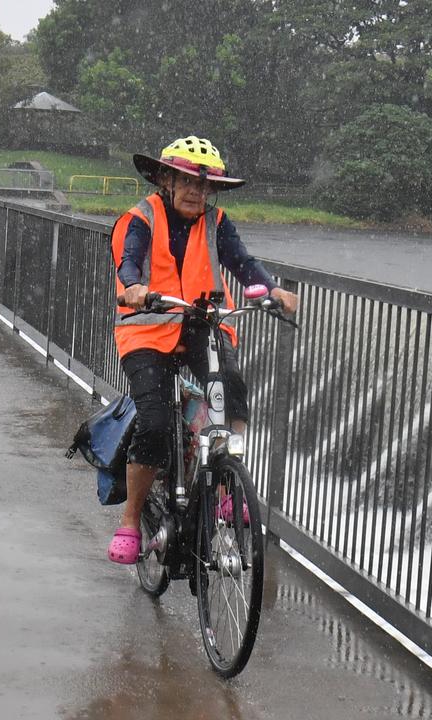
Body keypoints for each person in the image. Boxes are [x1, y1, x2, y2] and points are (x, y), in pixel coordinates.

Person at [106, 135, 299, 564]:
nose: (197, 192)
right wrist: (135, 287)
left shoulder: (216, 222)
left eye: (204, 185)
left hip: (202, 325)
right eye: (187, 181)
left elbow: (243, 263)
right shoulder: (140, 218)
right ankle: (131, 521)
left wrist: (270, 289)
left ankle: (228, 488)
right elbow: (129, 260)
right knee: (155, 425)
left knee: (231, 386)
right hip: (147, 330)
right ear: (165, 180)